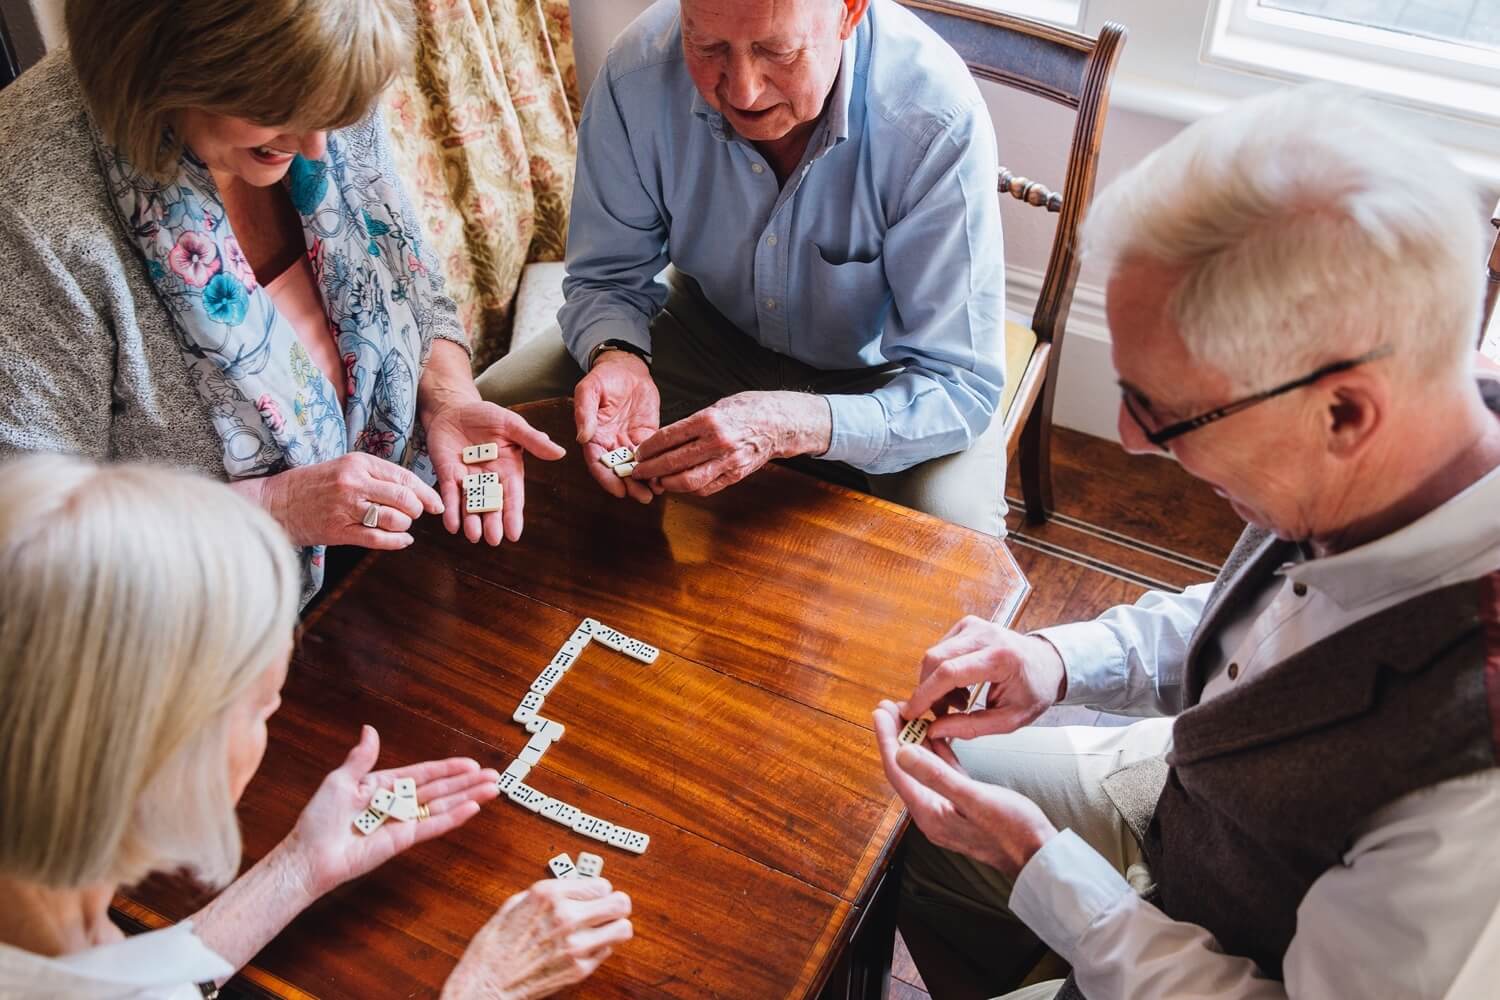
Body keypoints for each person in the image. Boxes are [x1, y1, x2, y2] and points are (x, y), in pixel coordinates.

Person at [873, 86, 1500, 999]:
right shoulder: (1409, 435)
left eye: (1164, 410)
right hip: (1182, 800)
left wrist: (1042, 871)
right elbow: (1267, 628)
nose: (1127, 439)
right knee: (887, 822)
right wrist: (1057, 658)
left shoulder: (1471, 792)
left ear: (1346, 411)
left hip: (1237, 954)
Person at [0, 455, 633, 998]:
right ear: (166, 760)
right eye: (264, 707)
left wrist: (300, 868)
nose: (269, 726)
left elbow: (138, 978)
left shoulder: (45, 923)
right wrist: (483, 986)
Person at [0, 0, 566, 606]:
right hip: (208, 616)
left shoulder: (321, 83)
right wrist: (276, 507)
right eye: (277, 115)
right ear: (166, 64)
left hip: (397, 555)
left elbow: (410, 283)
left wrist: (449, 397)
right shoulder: (31, 209)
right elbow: (31, 539)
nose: (318, 148)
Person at [476, 0, 1010, 536]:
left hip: (883, 373)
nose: (742, 92)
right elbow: (606, 276)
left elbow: (960, 384)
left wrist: (796, 424)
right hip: (705, 325)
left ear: (849, 12)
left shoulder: (935, 118)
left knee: (957, 535)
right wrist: (616, 354)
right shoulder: (635, 72)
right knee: (499, 410)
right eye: (707, 48)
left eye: (776, 51)